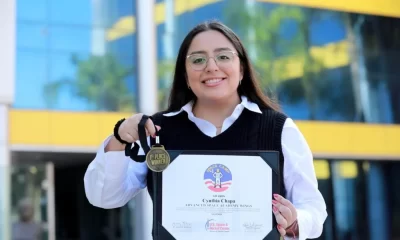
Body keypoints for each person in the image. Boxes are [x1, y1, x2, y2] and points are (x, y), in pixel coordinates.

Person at [84, 20, 327, 239]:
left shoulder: (279, 129)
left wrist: (295, 222)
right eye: (198, 60)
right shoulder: (155, 130)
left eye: (223, 57)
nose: (211, 67)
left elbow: (313, 209)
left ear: (241, 69)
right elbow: (104, 197)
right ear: (185, 75)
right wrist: (119, 138)